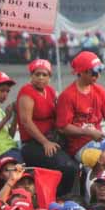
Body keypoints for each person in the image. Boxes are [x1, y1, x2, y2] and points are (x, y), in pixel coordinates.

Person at [17, 59, 78, 196]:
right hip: (34, 144)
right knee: (67, 167)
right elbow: (26, 121)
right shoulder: (26, 92)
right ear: (31, 76)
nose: (40, 78)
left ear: (50, 77)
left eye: (44, 75)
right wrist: (45, 142)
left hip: (52, 139)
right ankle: (59, 195)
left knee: (77, 160)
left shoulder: (50, 91)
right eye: (37, 74)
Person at [56, 52, 105, 164]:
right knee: (104, 159)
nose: (98, 76)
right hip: (79, 146)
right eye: (94, 73)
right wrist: (87, 132)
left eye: (99, 71)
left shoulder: (100, 91)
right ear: (81, 72)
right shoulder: (67, 96)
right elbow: (63, 127)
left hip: (99, 140)